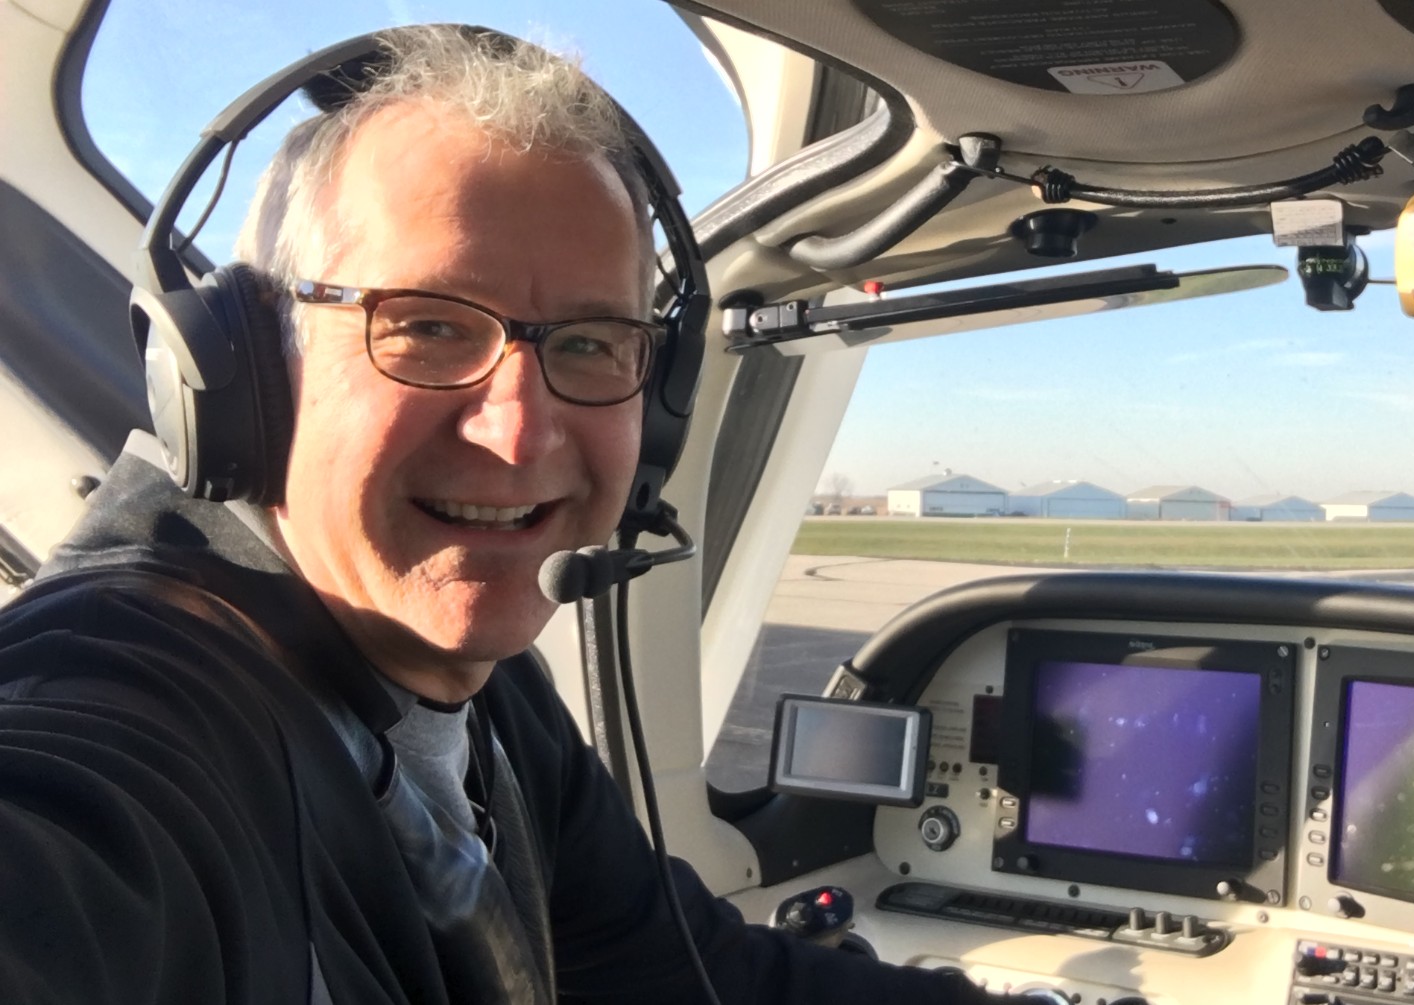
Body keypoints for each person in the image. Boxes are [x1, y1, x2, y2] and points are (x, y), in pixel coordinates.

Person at [0, 25, 998, 1004]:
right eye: (428, 326)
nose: (522, 436)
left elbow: (692, 974)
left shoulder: (497, 704)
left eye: (590, 343)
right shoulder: (132, 702)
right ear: (248, 369)